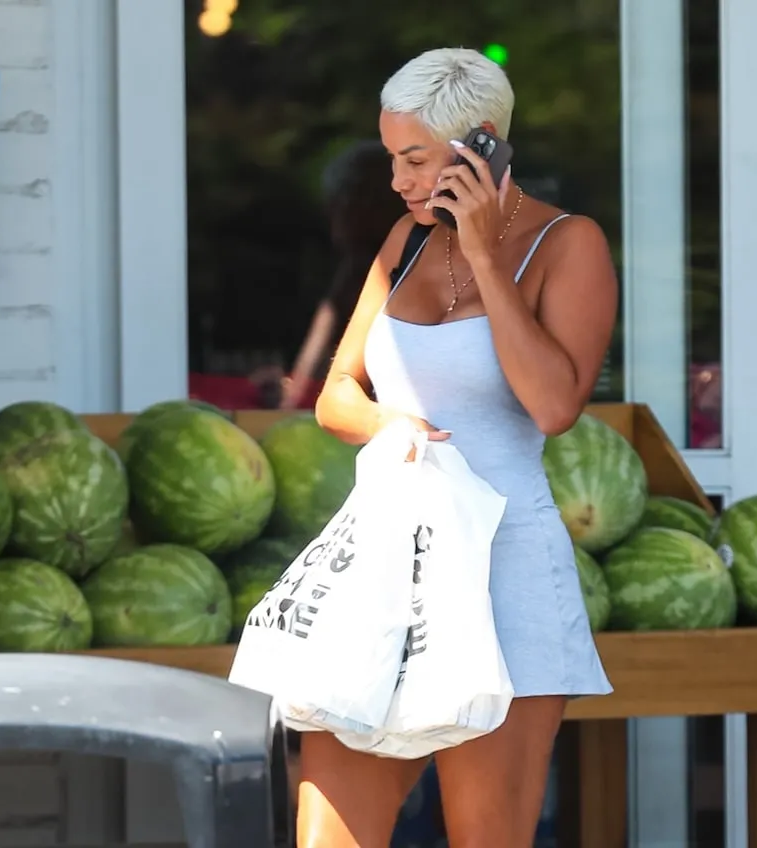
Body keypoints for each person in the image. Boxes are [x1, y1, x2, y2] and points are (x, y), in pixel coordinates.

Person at [305, 47, 618, 847]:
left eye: (414, 159)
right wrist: (391, 426)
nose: (398, 182)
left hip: (503, 574)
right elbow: (336, 396)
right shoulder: (402, 244)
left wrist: (483, 249)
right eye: (391, 159)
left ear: (480, 146)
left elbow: (553, 405)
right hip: (385, 569)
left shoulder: (566, 243)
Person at [280, 140, 405, 409]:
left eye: (343, 201)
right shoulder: (356, 271)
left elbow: (301, 389)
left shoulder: (369, 272)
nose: (333, 213)